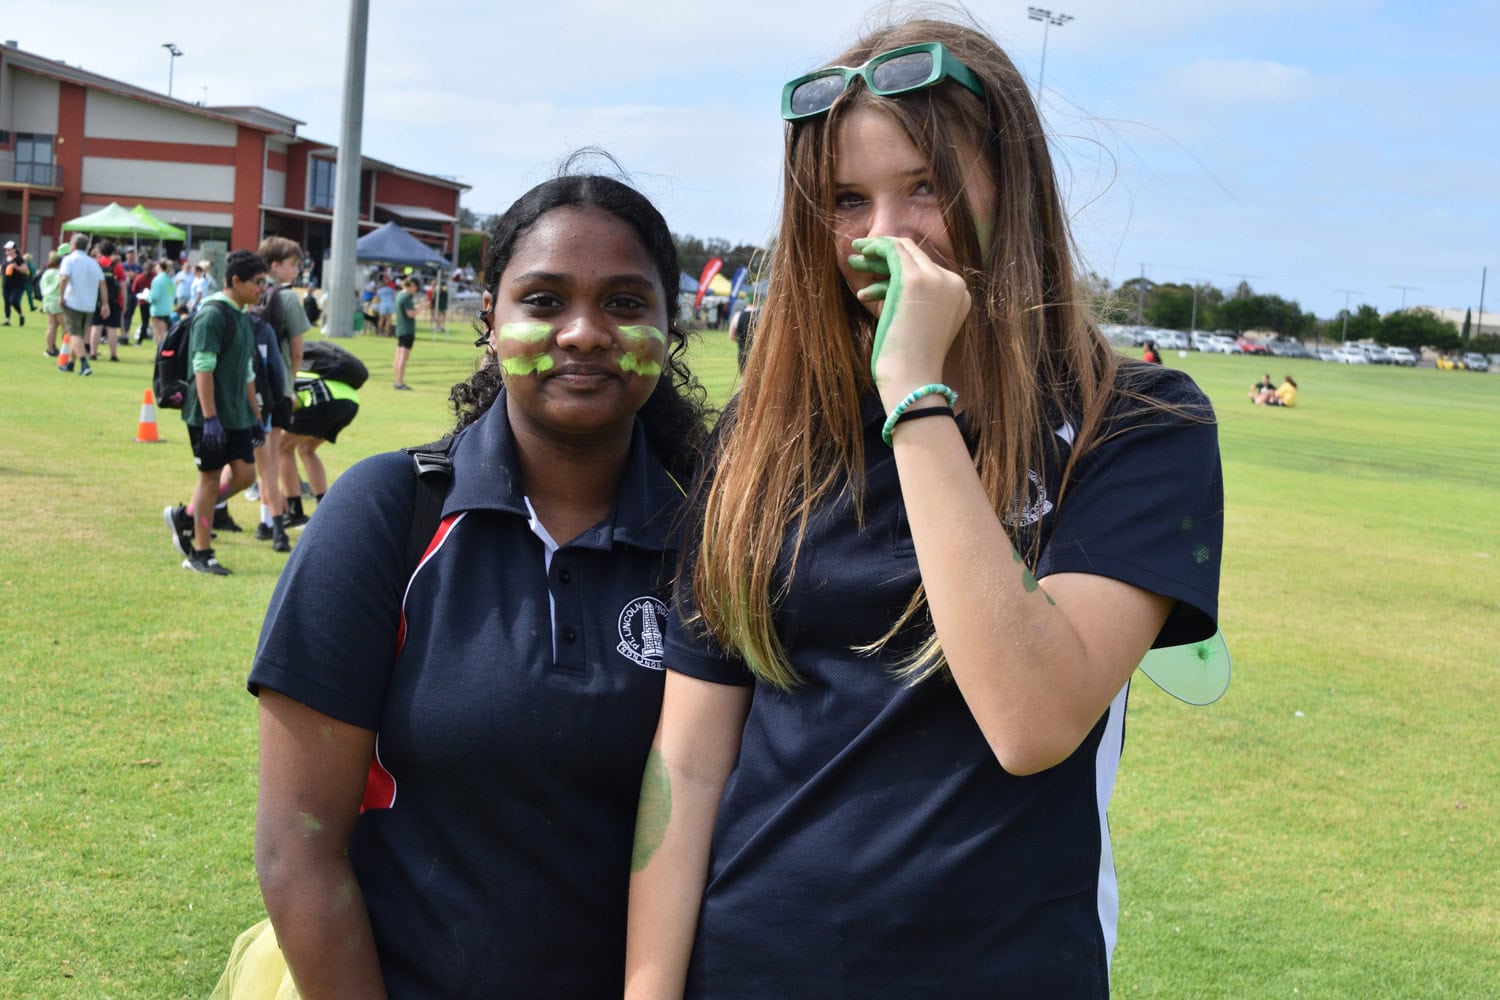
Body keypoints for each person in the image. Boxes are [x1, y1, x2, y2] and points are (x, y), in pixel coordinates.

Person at [625, 18, 1223, 999]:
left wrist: (913, 390)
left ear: (1011, 191)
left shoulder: (1136, 423)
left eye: (927, 187)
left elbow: (1032, 719)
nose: (885, 235)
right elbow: (688, 763)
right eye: (846, 200)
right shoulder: (768, 434)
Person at [242, 172, 710, 997]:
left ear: (670, 329)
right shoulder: (389, 511)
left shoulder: (711, 544)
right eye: (544, 300)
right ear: (489, 320)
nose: (584, 332)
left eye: (625, 303)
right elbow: (298, 847)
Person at [162, 249, 268, 575]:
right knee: (209, 480)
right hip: (208, 414)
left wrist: (255, 415)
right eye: (257, 282)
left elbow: (246, 370)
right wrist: (210, 418)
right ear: (236, 280)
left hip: (236, 413)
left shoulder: (242, 314)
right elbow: (203, 367)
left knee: (246, 475)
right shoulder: (212, 315)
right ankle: (200, 554)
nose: (262, 289)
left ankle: (186, 516)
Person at [56, 234, 108, 377]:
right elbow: (102, 283)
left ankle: (84, 363)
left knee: (74, 334)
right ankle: (71, 363)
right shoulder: (93, 262)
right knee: (79, 334)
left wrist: (61, 296)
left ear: (73, 245)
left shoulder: (69, 259)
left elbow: (64, 278)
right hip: (89, 303)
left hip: (73, 301)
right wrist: (105, 303)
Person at [88, 239, 128, 362]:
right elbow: (123, 286)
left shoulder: (95, 263)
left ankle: (93, 352)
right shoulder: (117, 266)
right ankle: (113, 354)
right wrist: (124, 303)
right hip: (114, 301)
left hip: (96, 300)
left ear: (100, 251)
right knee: (111, 328)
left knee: (96, 326)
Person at [392, 275, 418, 389]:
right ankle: (399, 382)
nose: (415, 290)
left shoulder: (399, 295)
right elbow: (411, 314)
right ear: (412, 286)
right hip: (407, 330)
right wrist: (422, 307)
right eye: (415, 287)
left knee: (398, 356)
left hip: (401, 329)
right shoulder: (406, 297)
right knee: (403, 357)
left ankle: (397, 380)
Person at [39, 251, 65, 356]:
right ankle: (65, 350)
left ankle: (50, 349)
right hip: (57, 300)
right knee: (65, 327)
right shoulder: (60, 273)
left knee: (51, 327)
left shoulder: (46, 273)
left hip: (47, 300)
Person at [148, 259, 177, 345]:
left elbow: (154, 297)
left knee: (159, 337)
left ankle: (160, 353)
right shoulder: (170, 280)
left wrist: (146, 297)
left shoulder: (157, 280)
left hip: (158, 310)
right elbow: (172, 295)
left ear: (159, 267)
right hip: (167, 310)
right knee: (164, 335)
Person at [2, 240, 30, 325]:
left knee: (14, 301)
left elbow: (25, 270)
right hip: (6, 284)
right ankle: (7, 320)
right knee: (7, 302)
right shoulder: (5, 259)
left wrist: (15, 267)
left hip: (17, 284)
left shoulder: (19, 259)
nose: (7, 251)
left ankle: (21, 314)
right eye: (6, 249)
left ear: (14, 250)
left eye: (9, 249)